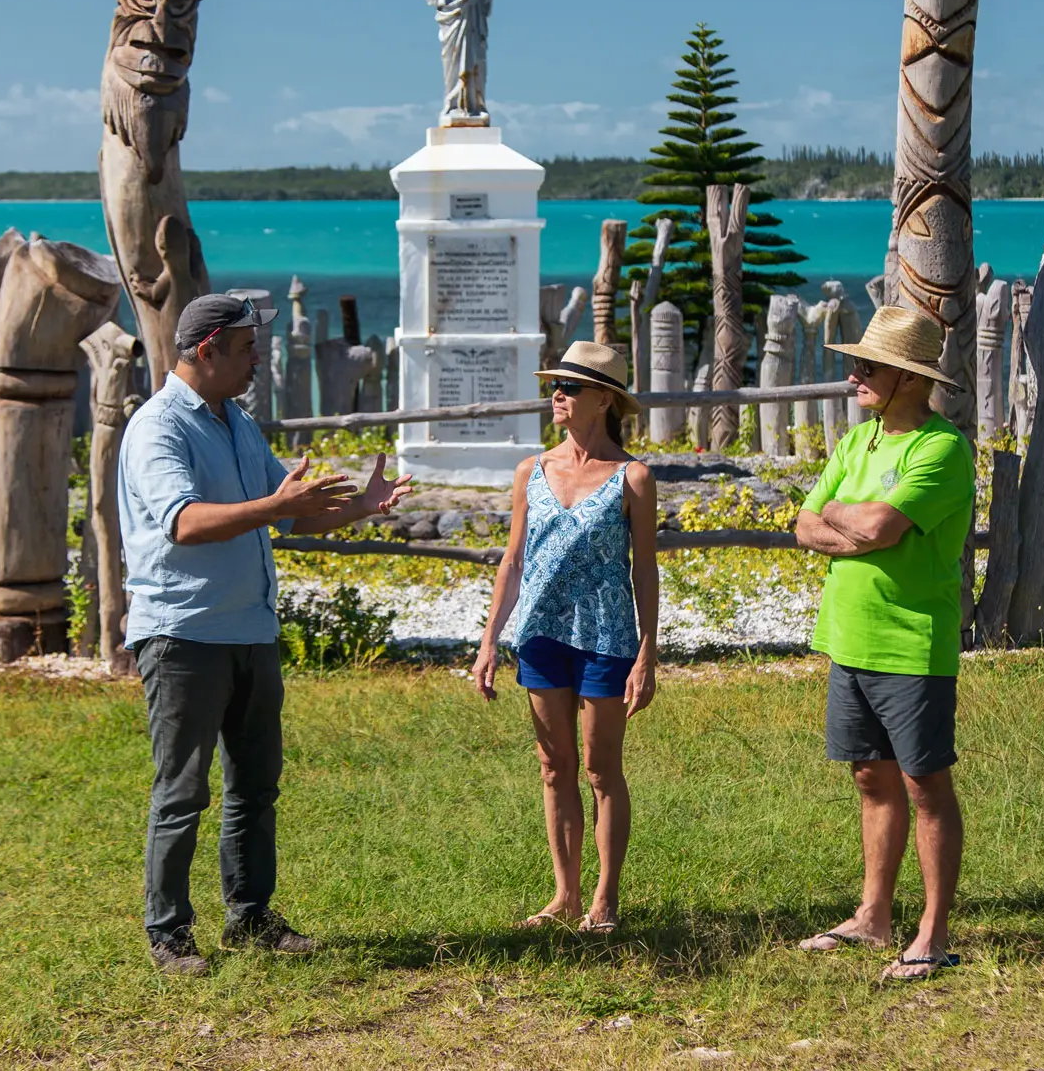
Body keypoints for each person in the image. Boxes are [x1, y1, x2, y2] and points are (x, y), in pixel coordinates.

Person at [119, 294, 413, 975]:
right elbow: (184, 521)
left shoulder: (236, 422)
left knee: (255, 784)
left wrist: (358, 509)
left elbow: (287, 513)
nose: (258, 358)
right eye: (248, 347)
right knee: (182, 788)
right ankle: (168, 932)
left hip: (249, 630)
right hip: (183, 633)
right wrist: (276, 505)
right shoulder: (158, 427)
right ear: (208, 348)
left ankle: (249, 916)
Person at [792, 306, 975, 981]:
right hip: (847, 636)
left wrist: (847, 518)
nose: (854, 373)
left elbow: (873, 526)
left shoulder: (940, 448)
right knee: (869, 774)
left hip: (911, 642)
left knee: (924, 782)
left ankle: (931, 930)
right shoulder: (858, 441)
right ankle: (872, 916)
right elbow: (804, 524)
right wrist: (854, 522)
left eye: (867, 364)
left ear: (906, 375)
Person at [470, 342, 659, 933]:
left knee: (602, 769)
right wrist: (488, 641)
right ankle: (565, 894)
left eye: (572, 387)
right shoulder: (533, 469)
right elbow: (513, 560)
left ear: (604, 399)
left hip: (607, 636)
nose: (558, 394)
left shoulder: (634, 476)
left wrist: (648, 653)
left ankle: (606, 897)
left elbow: (645, 569)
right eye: (556, 385)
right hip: (541, 633)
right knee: (554, 768)